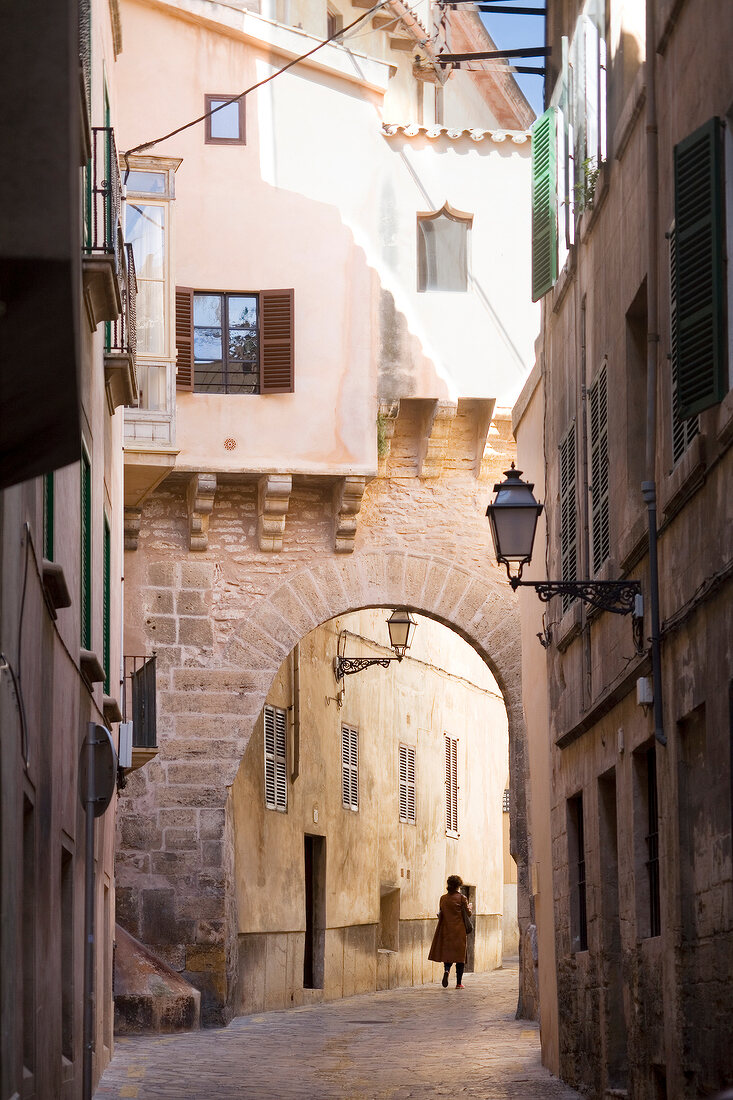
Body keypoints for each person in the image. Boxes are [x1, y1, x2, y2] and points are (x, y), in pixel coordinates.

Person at [428, 874, 472, 988]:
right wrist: (470, 907)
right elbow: (468, 913)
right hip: (459, 930)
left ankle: (447, 971)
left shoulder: (443, 898)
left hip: (446, 929)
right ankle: (458, 983)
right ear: (458, 886)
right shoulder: (462, 898)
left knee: (448, 954)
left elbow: (441, 912)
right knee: (460, 957)